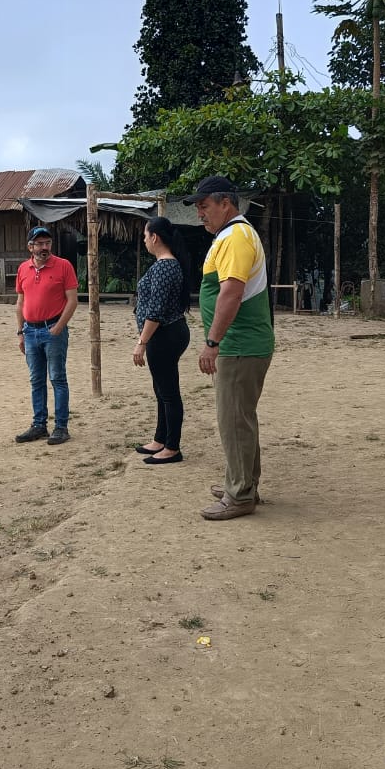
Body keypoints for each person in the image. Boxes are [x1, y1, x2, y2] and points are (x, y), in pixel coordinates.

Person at [183, 176, 275, 520]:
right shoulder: (232, 235)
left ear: (226, 203)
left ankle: (240, 495)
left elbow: (231, 293)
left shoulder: (236, 237)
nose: (200, 214)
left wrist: (212, 342)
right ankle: (243, 483)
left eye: (204, 206)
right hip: (240, 344)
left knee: (234, 420)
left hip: (239, 345)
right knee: (240, 418)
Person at [132, 216, 192, 464]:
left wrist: (142, 342)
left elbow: (155, 311)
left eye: (145, 236)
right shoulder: (165, 265)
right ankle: (161, 439)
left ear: (154, 237)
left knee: (168, 392)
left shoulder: (165, 267)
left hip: (164, 334)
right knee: (161, 389)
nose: (144, 240)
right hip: (166, 333)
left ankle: (172, 447)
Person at [14, 225, 79, 445]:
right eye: (40, 243)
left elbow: (72, 300)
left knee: (57, 378)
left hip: (53, 329)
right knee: (36, 380)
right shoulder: (23, 269)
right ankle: (39, 425)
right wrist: (20, 332)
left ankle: (61, 427)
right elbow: (20, 302)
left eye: (47, 243)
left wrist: (59, 326)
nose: (44, 247)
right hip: (30, 331)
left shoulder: (63, 266)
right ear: (30, 247)